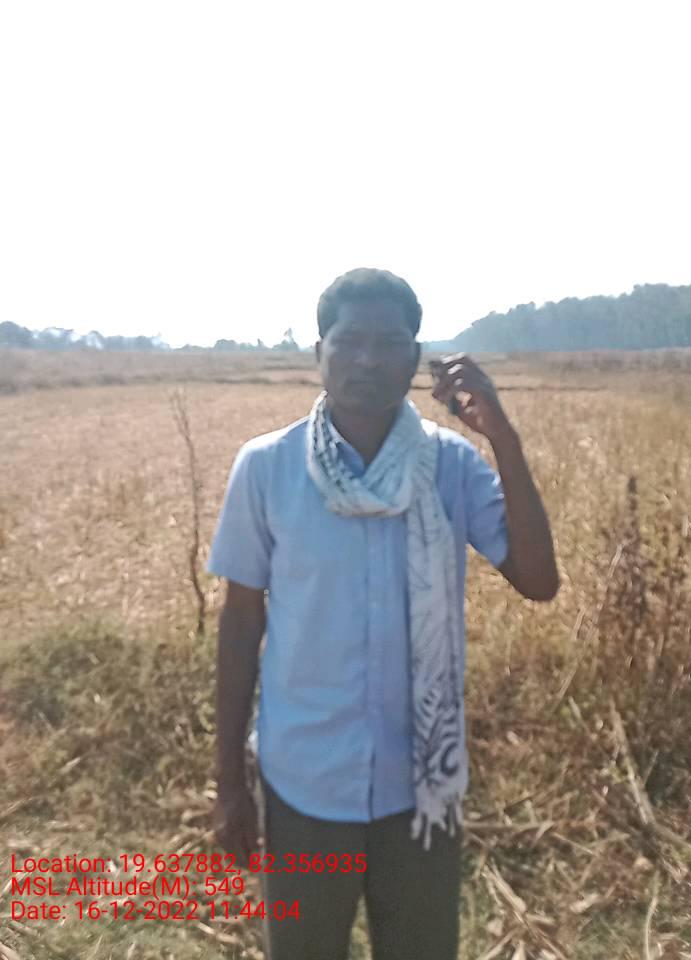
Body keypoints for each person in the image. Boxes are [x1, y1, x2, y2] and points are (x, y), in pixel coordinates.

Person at [207, 267, 559, 960]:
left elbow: (539, 580)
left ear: (415, 358)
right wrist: (228, 782)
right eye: (349, 341)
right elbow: (241, 623)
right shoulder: (267, 468)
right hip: (303, 785)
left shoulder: (451, 466)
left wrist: (503, 439)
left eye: (389, 343)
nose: (367, 360)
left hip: (420, 789)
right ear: (320, 352)